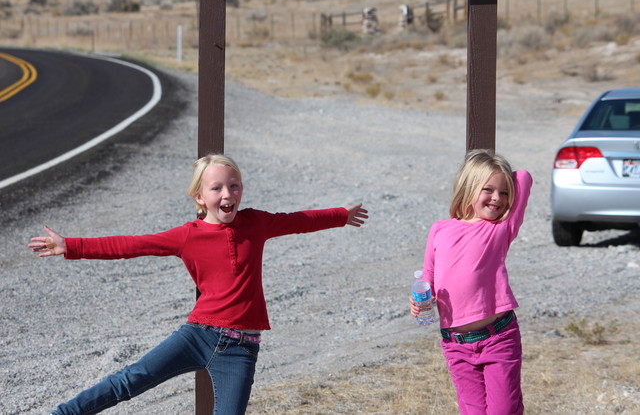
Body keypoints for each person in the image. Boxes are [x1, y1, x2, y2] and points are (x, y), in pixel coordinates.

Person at [28, 153, 368, 415]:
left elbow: (298, 221)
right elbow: (129, 245)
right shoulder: (186, 237)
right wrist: (70, 246)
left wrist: (341, 214)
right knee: (131, 380)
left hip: (241, 349)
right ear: (200, 197)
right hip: (198, 335)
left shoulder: (256, 223)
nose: (227, 193)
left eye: (234, 185)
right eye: (216, 187)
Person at [410, 149, 533, 415]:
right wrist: (421, 298)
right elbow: (428, 273)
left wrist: (493, 169)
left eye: (504, 193)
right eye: (488, 190)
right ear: (469, 187)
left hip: (498, 337)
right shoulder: (440, 229)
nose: (497, 198)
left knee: (504, 410)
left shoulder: (500, 229)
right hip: (456, 344)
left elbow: (523, 177)